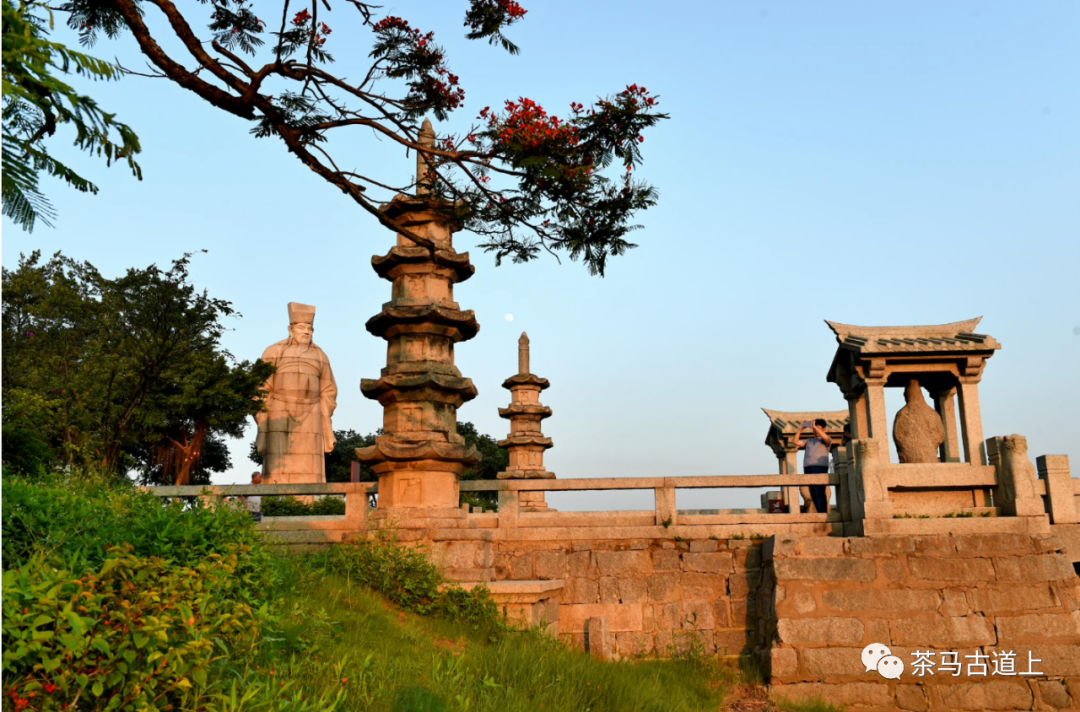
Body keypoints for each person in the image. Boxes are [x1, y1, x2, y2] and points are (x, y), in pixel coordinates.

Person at [794, 418, 832, 514]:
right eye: (814, 429)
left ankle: (823, 513)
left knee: (819, 491)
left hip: (819, 467)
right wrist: (800, 430)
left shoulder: (827, 440)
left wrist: (815, 426)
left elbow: (826, 439)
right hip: (808, 467)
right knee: (813, 493)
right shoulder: (809, 440)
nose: (815, 431)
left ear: (824, 429)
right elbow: (795, 442)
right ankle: (820, 512)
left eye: (818, 428)